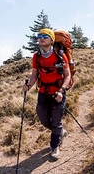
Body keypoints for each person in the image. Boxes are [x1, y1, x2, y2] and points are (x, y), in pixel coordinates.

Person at [23, 28, 71, 160]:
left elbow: (67, 76)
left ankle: (55, 146)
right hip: (43, 92)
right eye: (39, 36)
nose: (41, 38)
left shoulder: (60, 55)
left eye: (45, 36)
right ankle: (60, 131)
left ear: (51, 39)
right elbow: (34, 75)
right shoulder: (36, 56)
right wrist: (28, 86)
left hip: (57, 93)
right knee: (44, 120)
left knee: (56, 121)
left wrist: (61, 91)